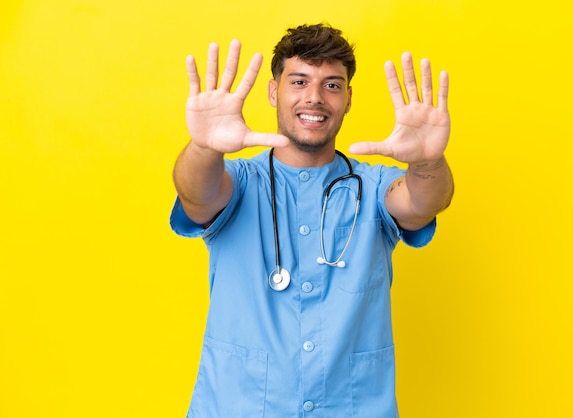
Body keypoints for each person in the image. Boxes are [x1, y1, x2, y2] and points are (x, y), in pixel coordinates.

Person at [170, 23, 454, 417]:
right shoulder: (238, 182)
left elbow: (423, 201)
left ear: (349, 99)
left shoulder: (371, 187)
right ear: (274, 91)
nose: (315, 98)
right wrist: (203, 147)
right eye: (299, 81)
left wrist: (427, 159)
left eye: (332, 85)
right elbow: (196, 194)